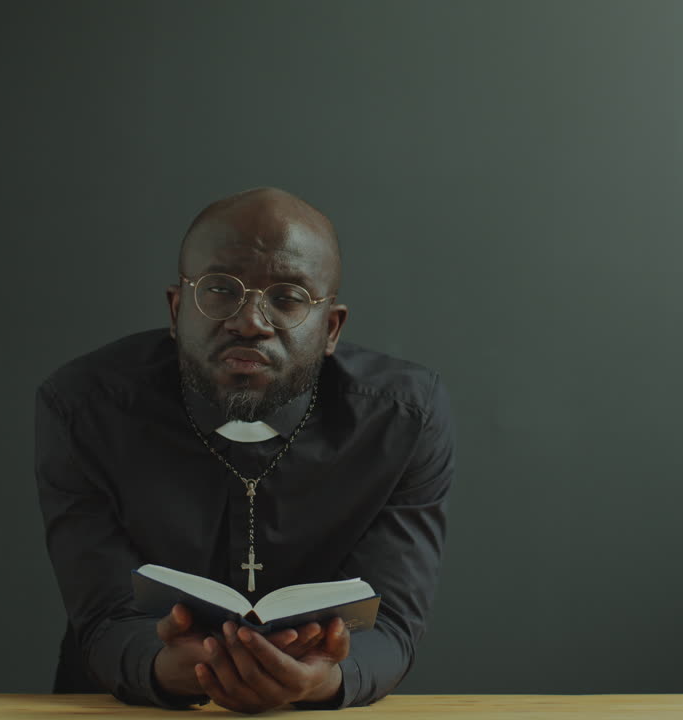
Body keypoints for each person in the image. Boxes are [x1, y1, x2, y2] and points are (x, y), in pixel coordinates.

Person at [35, 187, 454, 712]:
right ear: (176, 309)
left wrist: (319, 680)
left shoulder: (401, 419)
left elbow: (389, 621)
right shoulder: (85, 408)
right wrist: (176, 668)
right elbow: (104, 615)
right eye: (219, 290)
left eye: (288, 297)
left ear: (331, 328)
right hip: (127, 707)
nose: (250, 322)